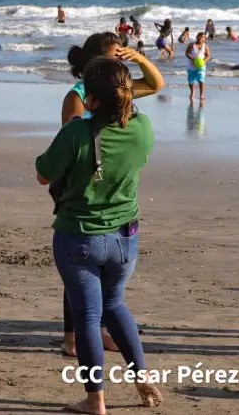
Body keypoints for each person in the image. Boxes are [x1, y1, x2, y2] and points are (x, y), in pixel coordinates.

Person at [36, 58, 163, 414]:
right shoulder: (143, 127)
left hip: (79, 236)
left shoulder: (76, 133)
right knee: (115, 304)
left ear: (91, 99)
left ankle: (96, 400)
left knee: (88, 318)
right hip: (125, 237)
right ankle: (141, 375)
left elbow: (44, 174)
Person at [59, 32, 165, 357]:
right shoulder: (78, 96)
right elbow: (71, 140)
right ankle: (71, 336)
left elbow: (157, 84)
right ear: (95, 62)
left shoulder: (118, 91)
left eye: (122, 56)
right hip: (84, 186)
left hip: (111, 184)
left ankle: (100, 329)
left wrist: (139, 57)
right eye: (115, 56)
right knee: (81, 269)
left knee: (101, 274)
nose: (120, 61)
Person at [186, 32, 211, 101]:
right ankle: (192, 92)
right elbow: (187, 53)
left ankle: (201, 94)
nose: (201, 38)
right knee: (191, 80)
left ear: (204, 39)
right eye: (200, 36)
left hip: (201, 65)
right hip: (192, 64)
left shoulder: (205, 46)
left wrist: (205, 60)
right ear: (197, 37)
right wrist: (192, 59)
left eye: (203, 37)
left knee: (201, 79)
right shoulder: (191, 45)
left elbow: (208, 55)